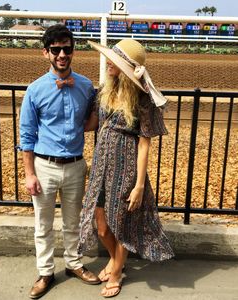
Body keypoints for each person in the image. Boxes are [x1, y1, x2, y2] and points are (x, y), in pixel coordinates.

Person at [78, 39, 175, 298]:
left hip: (127, 166)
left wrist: (140, 185)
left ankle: (118, 270)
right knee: (101, 225)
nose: (108, 62)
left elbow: (144, 144)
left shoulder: (143, 99)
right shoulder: (105, 91)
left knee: (121, 223)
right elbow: (90, 124)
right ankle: (115, 259)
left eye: (114, 60)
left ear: (126, 67)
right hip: (101, 165)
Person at [19, 24, 101, 299]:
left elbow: (89, 124)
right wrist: (29, 173)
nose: (62, 54)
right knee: (43, 224)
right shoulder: (35, 90)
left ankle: (74, 264)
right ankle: (45, 272)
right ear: (46, 53)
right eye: (56, 50)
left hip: (76, 164)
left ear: (73, 51)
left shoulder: (86, 86)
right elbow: (27, 134)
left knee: (72, 222)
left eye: (67, 48)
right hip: (44, 167)